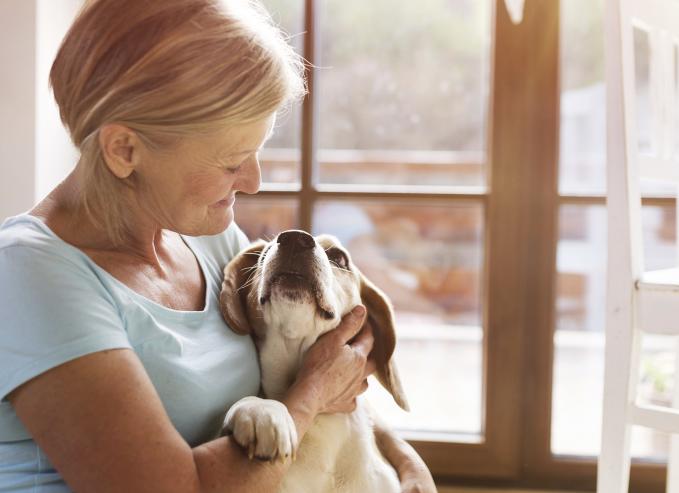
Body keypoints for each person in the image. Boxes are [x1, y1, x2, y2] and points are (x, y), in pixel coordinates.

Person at [0, 0, 436, 491]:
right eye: (232, 161)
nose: (252, 181)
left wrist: (403, 462)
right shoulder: (30, 276)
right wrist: (309, 397)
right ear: (125, 150)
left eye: (257, 152)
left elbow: (326, 369)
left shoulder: (207, 239)